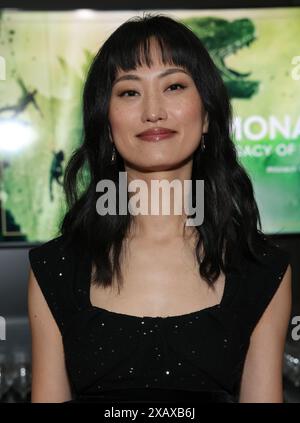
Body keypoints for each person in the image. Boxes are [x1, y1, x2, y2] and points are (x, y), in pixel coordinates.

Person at [27, 13, 292, 403]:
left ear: (206, 116)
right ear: (106, 121)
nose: (153, 110)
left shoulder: (260, 268)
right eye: (129, 92)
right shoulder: (56, 268)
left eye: (174, 86)